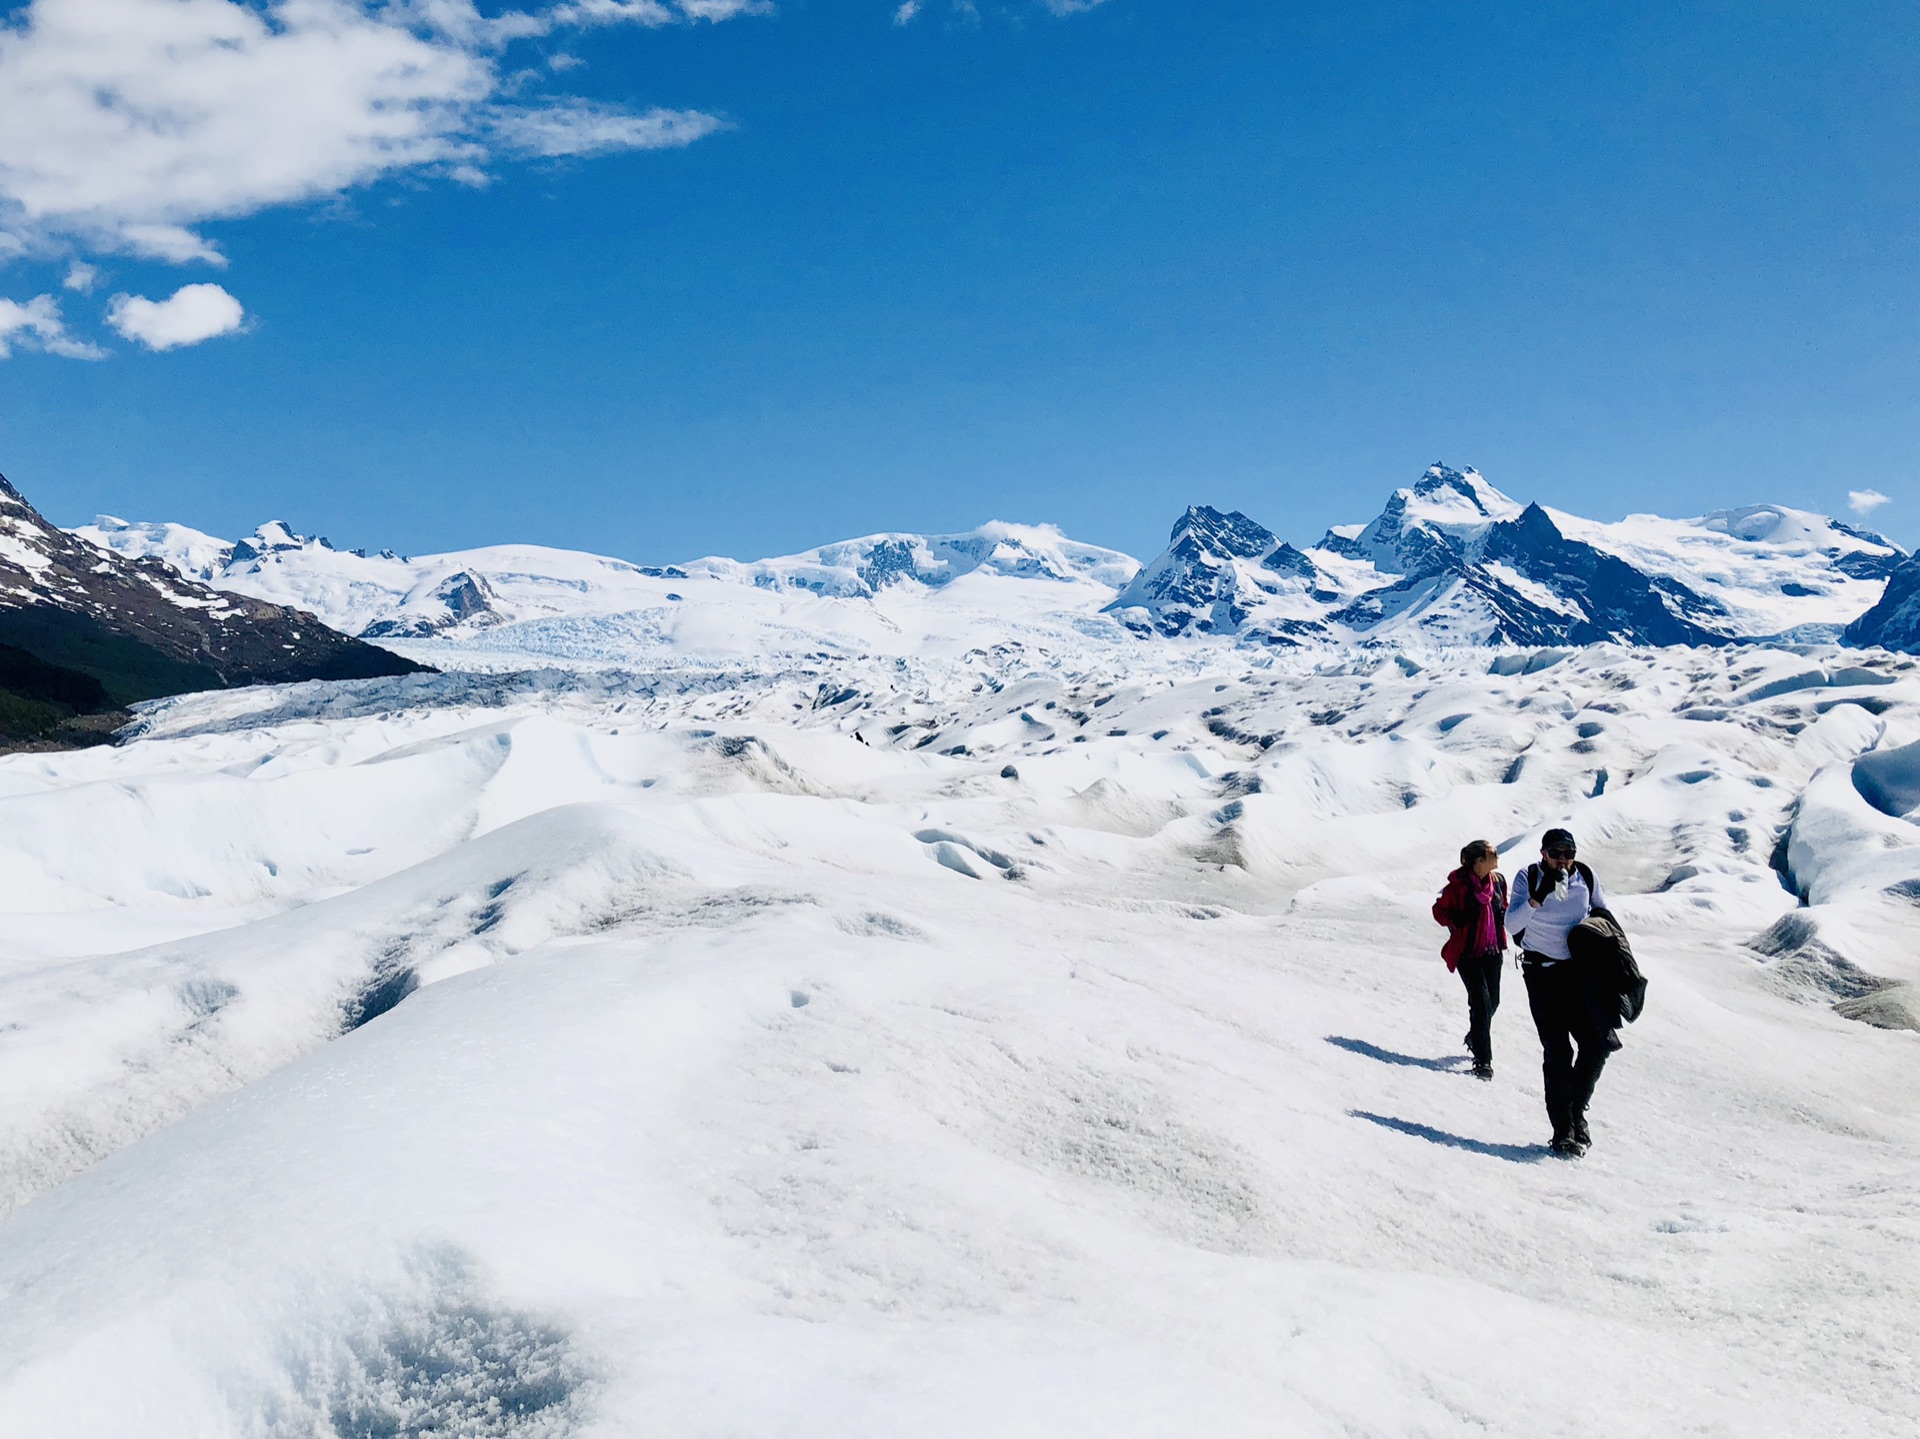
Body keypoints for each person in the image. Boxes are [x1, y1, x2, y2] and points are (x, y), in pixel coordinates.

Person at [1507, 827, 1609, 1157]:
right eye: (1555, 853)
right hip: (1541, 974)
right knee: (1558, 1052)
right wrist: (1538, 898)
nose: (1563, 860)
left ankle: (1576, 1110)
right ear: (1543, 853)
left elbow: (1601, 913)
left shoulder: (1587, 877)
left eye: (1569, 853)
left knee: (1597, 1043)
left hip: (1579, 974)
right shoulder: (1528, 876)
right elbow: (1511, 925)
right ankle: (1563, 1130)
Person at [1432, 839, 1507, 1081]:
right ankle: (1483, 1061)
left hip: (1492, 952)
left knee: (1493, 1002)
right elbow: (1439, 910)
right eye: (1492, 854)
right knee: (1481, 1003)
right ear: (1478, 862)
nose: (1497, 857)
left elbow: (1502, 906)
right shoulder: (1459, 886)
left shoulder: (1498, 882)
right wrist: (1455, 921)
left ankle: (1476, 1035)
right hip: (1468, 953)